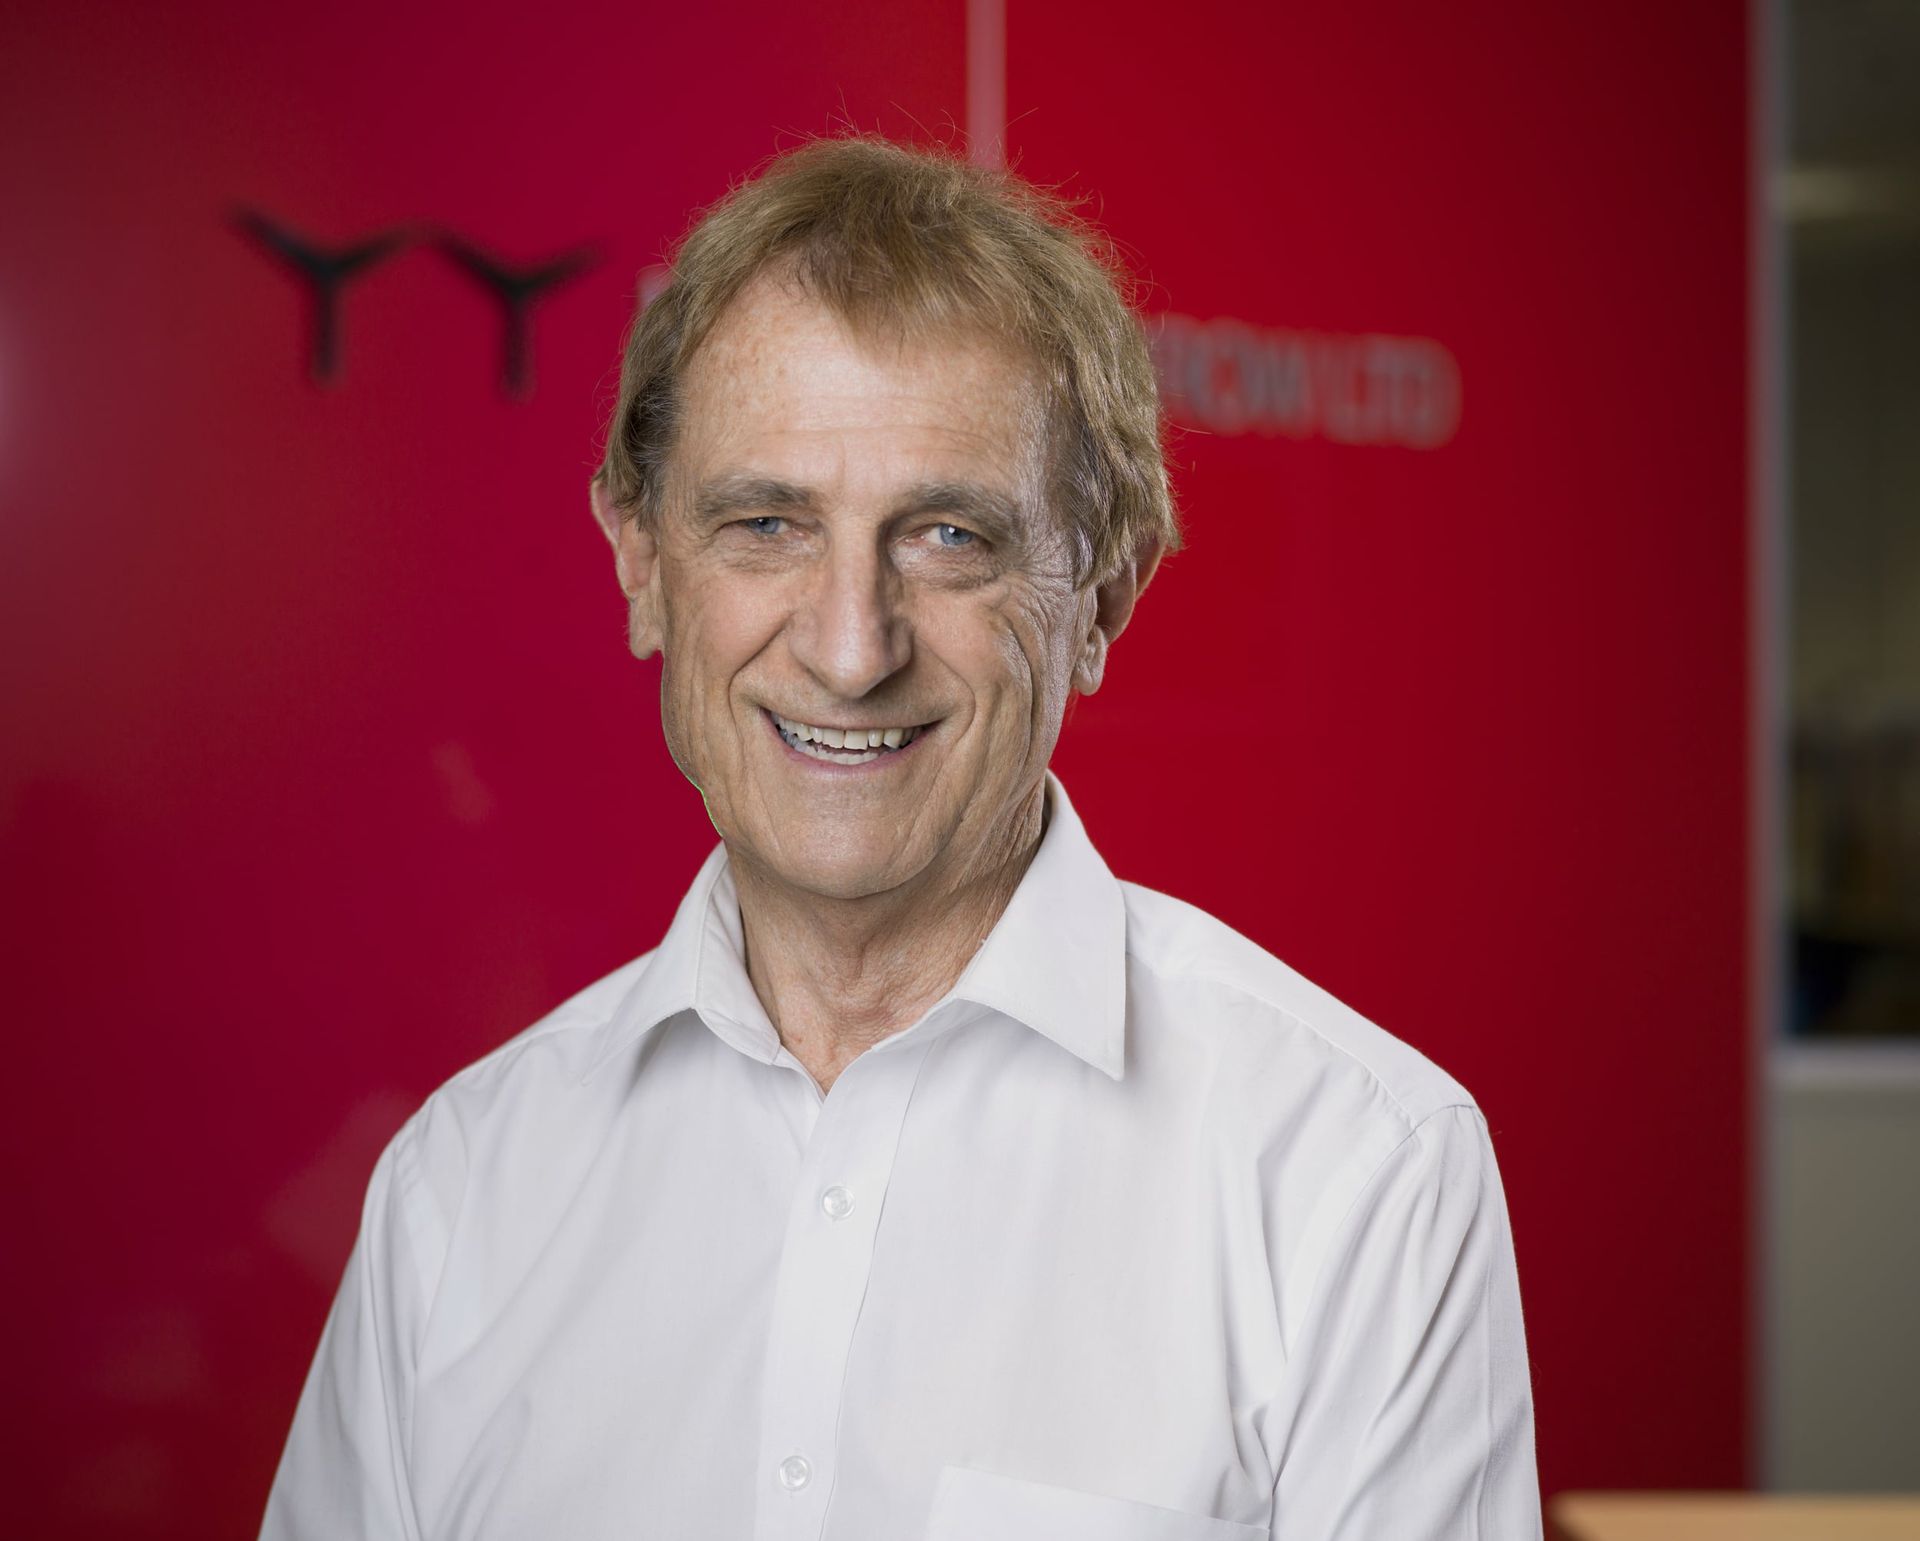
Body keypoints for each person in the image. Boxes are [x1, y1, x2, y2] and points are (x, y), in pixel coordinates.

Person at [261, 136, 1541, 1541]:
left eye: (947, 537)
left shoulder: (1357, 1175)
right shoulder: (457, 1193)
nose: (850, 647)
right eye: (766, 523)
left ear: (1103, 597)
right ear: (642, 564)